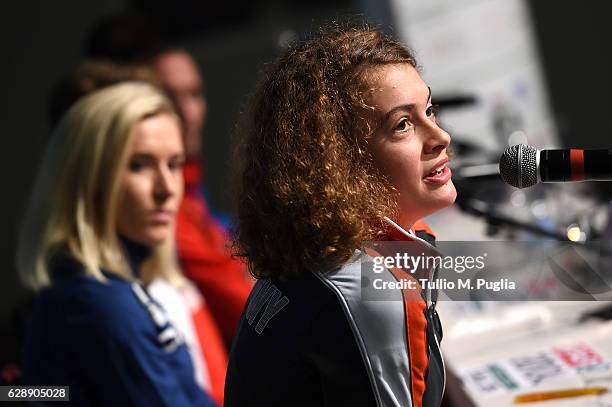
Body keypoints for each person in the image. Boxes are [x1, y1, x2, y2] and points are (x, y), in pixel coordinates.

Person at [225, 27, 456, 407]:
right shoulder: (369, 288)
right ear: (341, 163)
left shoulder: (319, 252)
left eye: (429, 111)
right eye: (402, 125)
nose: (440, 136)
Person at [18, 82, 216, 406]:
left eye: (174, 164)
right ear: (89, 178)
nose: (166, 188)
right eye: (139, 165)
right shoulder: (100, 303)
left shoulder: (109, 289)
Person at [85, 14, 253, 347]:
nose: (186, 113)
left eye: (194, 93)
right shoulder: (162, 216)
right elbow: (254, 309)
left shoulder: (193, 195)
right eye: (138, 165)